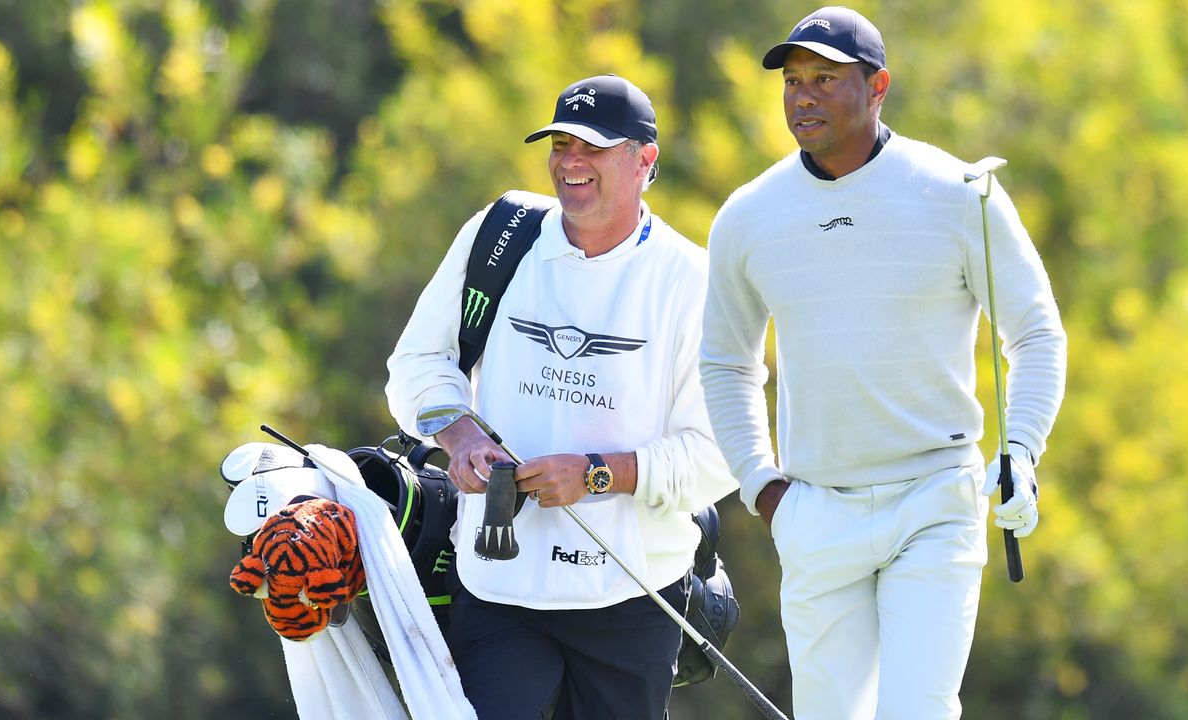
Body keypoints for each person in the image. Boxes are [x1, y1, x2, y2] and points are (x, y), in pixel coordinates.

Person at [699, 6, 1067, 720]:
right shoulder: (748, 215)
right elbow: (726, 364)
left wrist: (1020, 452)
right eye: (794, 81)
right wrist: (763, 490)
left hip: (935, 499)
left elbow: (1036, 334)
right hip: (813, 508)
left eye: (826, 79)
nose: (803, 96)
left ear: (878, 87)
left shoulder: (960, 194)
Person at [385, 74, 736, 720]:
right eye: (560, 144)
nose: (570, 162)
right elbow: (416, 364)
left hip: (630, 600)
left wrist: (598, 475)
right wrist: (460, 435)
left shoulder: (693, 282)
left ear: (644, 161)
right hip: (497, 588)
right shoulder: (503, 234)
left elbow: (718, 456)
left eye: (593, 148)